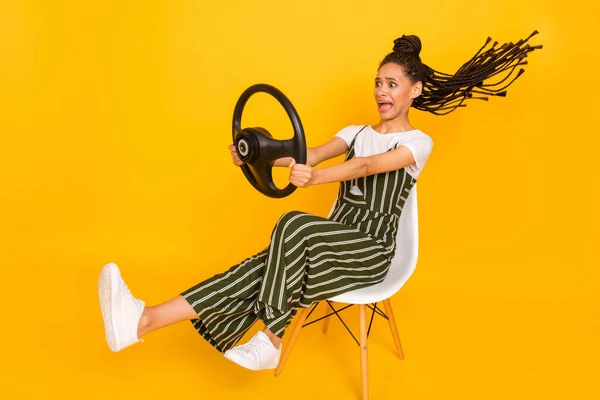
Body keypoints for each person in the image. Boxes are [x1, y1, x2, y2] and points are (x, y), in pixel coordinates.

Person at [98, 32, 541, 371]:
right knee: (262, 264)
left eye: (392, 83)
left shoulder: (418, 142)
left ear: (415, 90)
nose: (381, 91)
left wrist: (318, 179)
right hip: (331, 241)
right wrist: (256, 153)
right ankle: (143, 320)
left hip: (370, 252)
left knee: (292, 224)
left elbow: (368, 168)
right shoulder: (354, 134)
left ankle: (271, 337)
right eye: (377, 83)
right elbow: (304, 154)